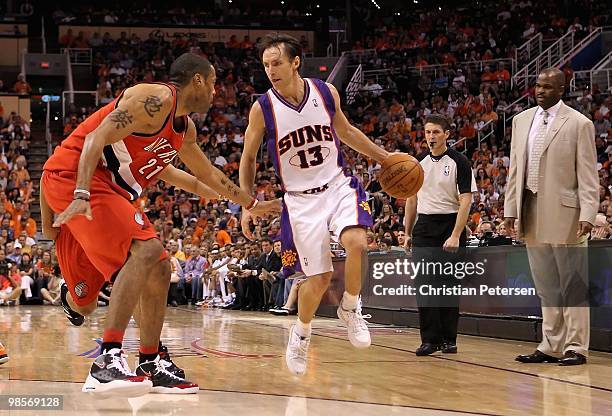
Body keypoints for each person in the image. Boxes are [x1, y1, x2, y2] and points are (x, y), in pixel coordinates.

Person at [41, 52, 280, 395]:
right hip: (76, 177)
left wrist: (252, 204)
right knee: (148, 249)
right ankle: (106, 361)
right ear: (197, 80)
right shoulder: (154, 98)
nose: (216, 91)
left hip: (110, 190)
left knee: (159, 266)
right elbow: (93, 139)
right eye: (213, 83)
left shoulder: (184, 129)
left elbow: (207, 174)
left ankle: (150, 360)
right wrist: (80, 193)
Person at [240, 33, 390, 375]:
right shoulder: (263, 108)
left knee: (357, 243)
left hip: (337, 184)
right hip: (299, 201)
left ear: (295, 62)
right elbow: (248, 158)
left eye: (277, 63)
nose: (271, 70)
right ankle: (302, 332)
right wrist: (248, 203)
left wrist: (384, 157)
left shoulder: (325, 92)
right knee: (318, 279)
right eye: (266, 65)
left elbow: (347, 132)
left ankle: (350, 307)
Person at [504, 68, 599, 366]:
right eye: (537, 85)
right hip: (530, 208)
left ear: (562, 89)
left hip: (567, 212)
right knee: (546, 284)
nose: (540, 90)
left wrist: (588, 212)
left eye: (547, 86)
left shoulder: (579, 123)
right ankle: (550, 344)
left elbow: (587, 174)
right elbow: (515, 169)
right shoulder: (521, 120)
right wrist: (510, 210)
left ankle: (576, 346)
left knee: (572, 283)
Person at [405, 114, 476, 356]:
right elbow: (411, 200)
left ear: (447, 134)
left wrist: (456, 234)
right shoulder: (418, 163)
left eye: (436, 132)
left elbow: (466, 200)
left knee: (448, 287)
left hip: (450, 223)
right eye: (428, 132)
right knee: (424, 286)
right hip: (424, 227)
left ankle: (449, 339)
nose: (431, 137)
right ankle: (429, 340)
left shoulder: (460, 162)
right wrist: (407, 232)